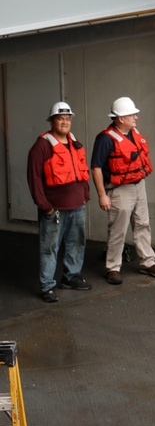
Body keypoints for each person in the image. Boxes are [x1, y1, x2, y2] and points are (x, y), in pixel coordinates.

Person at [90, 96, 155, 284]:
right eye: (132, 114)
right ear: (120, 118)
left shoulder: (133, 133)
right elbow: (96, 167)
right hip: (119, 190)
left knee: (143, 223)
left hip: (139, 185)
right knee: (118, 229)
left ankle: (148, 262)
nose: (136, 117)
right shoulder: (105, 139)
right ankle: (113, 267)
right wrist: (102, 195)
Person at [27, 102, 92, 304]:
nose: (65, 122)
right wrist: (44, 205)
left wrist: (85, 194)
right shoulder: (42, 146)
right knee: (49, 248)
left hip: (77, 205)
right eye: (60, 118)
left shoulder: (75, 142)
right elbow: (34, 178)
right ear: (52, 121)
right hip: (53, 209)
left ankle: (70, 277)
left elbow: (81, 172)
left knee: (76, 244)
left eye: (68, 118)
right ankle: (47, 286)